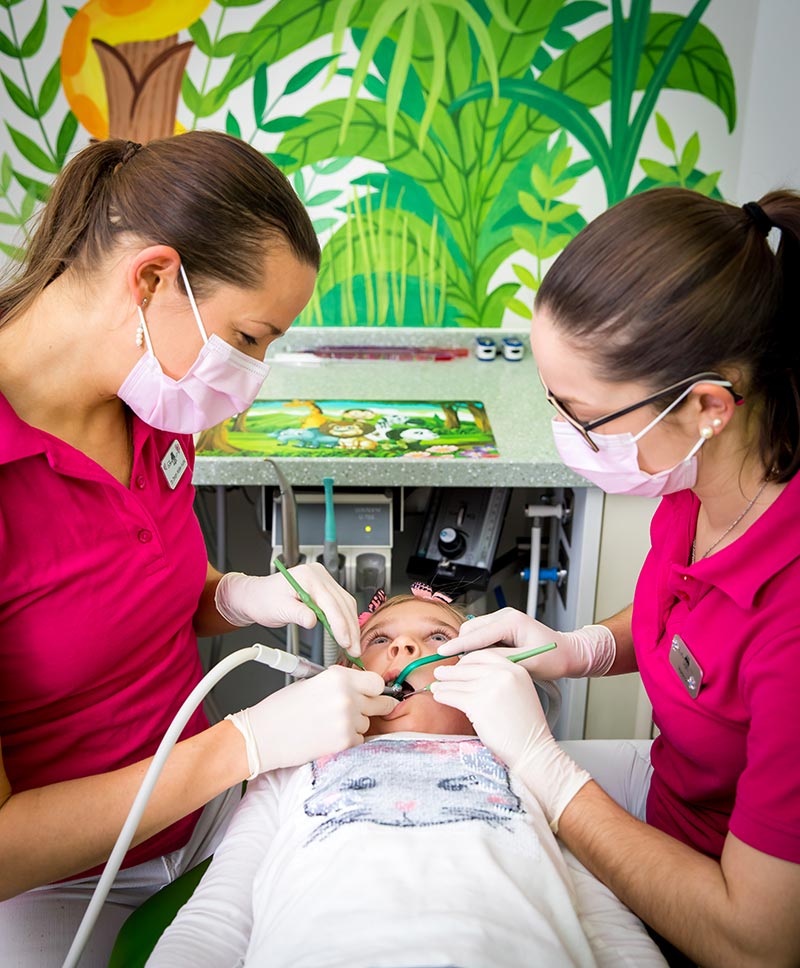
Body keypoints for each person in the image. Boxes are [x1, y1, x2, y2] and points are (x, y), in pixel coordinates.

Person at [0, 131, 395, 966]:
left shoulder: (152, 403)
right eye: (249, 337)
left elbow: (137, 591)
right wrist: (242, 744)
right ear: (152, 279)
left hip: (215, 823)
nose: (250, 377)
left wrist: (238, 595)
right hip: (59, 884)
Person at [432, 188, 800, 967]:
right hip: (666, 808)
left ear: (707, 407)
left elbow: (757, 944)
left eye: (582, 415)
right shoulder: (701, 482)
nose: (565, 434)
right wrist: (580, 648)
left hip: (715, 904)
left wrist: (546, 769)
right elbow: (689, 623)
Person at [148, 590, 667, 968]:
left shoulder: (527, 761)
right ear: (342, 672)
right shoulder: (291, 768)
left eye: (438, 637)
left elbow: (604, 923)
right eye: (379, 639)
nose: (403, 647)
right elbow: (214, 921)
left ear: (489, 671)